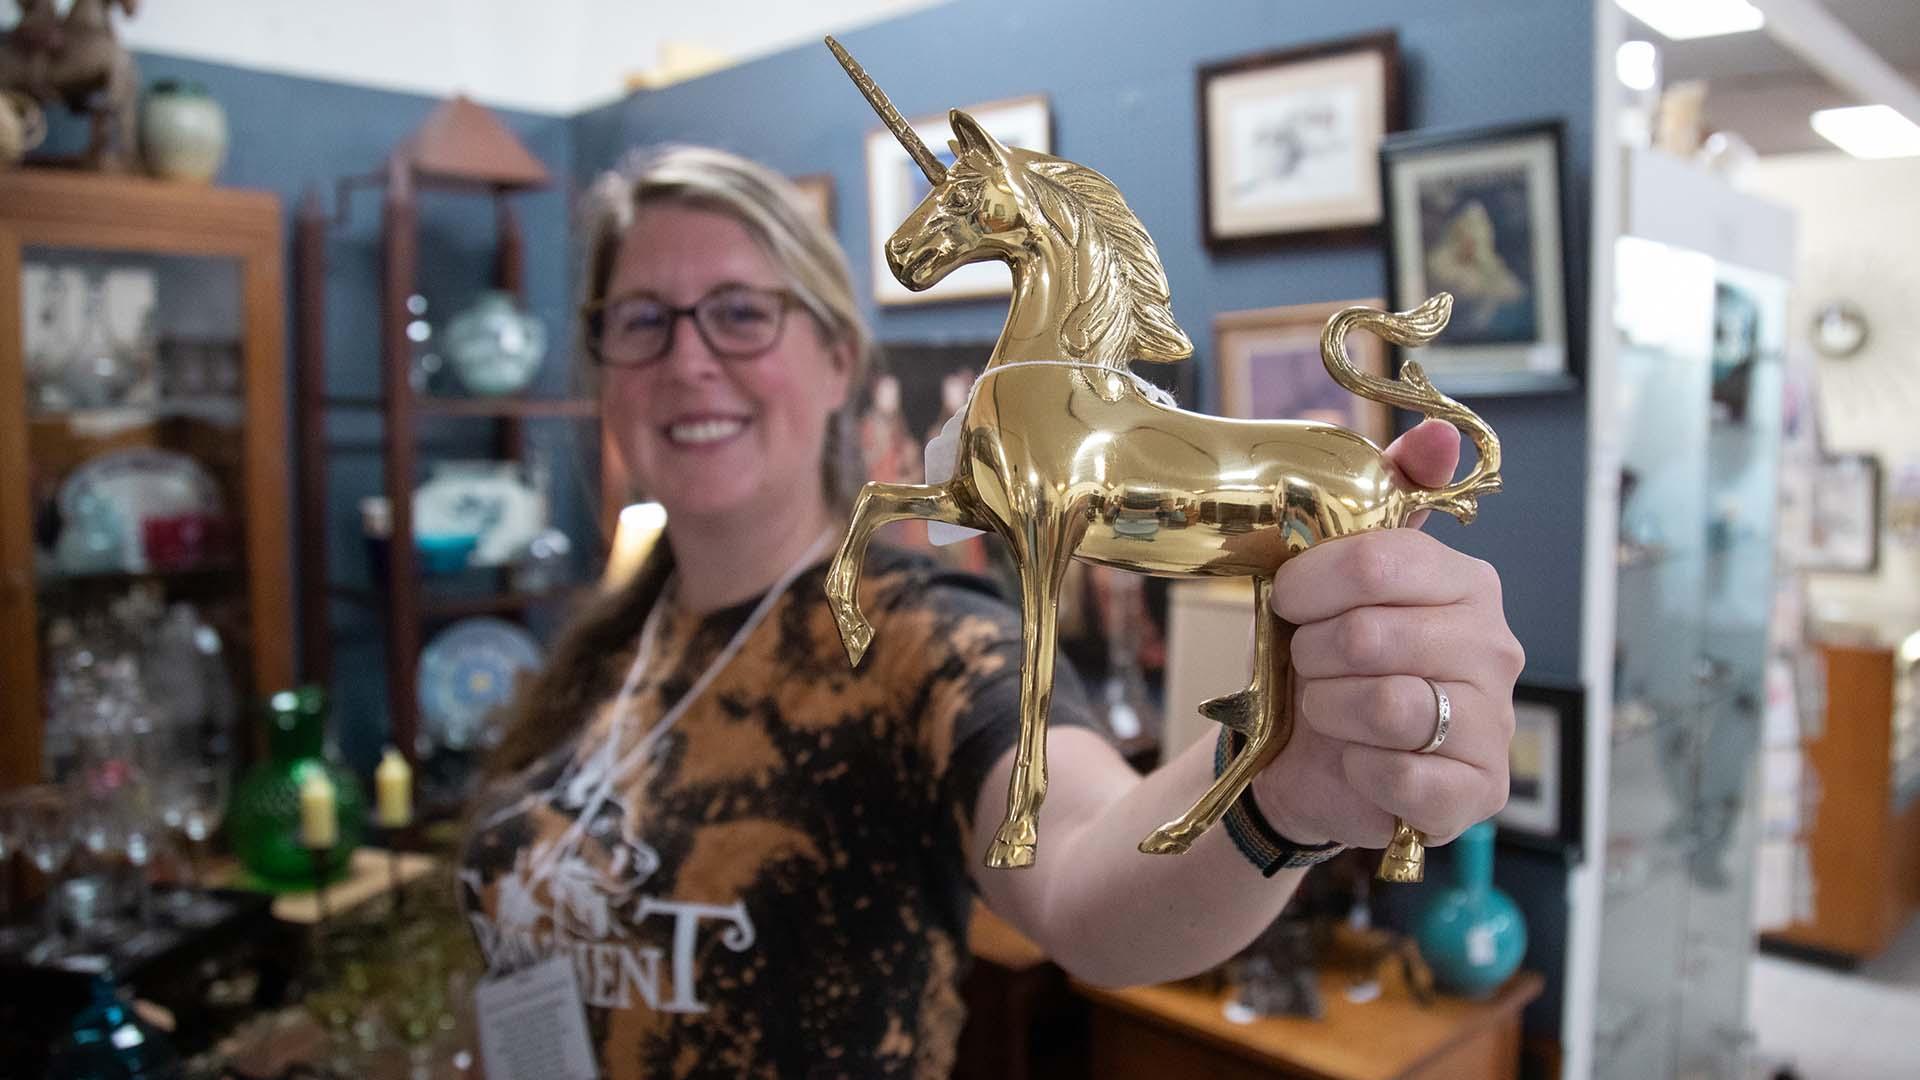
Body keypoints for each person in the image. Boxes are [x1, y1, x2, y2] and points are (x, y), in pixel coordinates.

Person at [460, 144, 1524, 1078]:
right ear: (602, 365)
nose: (688, 359)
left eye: (740, 312)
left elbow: (1081, 887)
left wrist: (1281, 785)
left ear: (838, 359)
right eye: (641, 321)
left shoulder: (926, 638)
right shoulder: (615, 636)